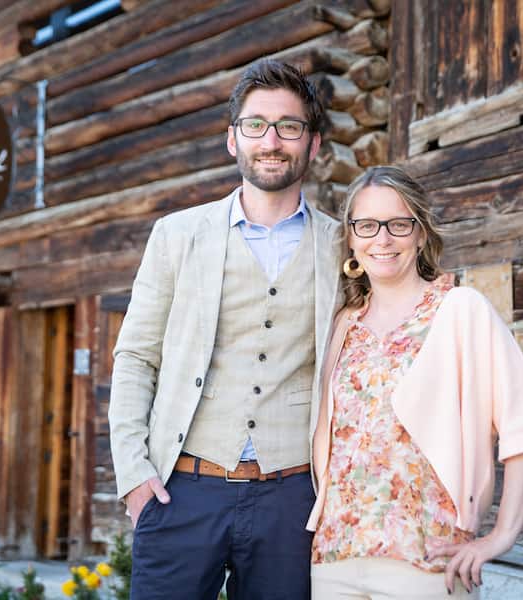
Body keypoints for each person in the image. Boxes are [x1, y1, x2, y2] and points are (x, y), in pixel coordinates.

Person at [108, 59, 341, 600]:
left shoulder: (340, 245)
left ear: (314, 144)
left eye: (290, 126)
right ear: (232, 140)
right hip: (180, 489)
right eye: (256, 125)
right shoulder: (177, 235)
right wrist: (134, 476)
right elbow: (136, 357)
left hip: (293, 499)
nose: (273, 140)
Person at [307, 166, 523, 599]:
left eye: (398, 224)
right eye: (366, 225)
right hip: (335, 560)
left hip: (428, 562)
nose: (381, 239)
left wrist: (501, 535)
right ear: (350, 238)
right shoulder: (343, 324)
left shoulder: (461, 310)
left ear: (420, 234)